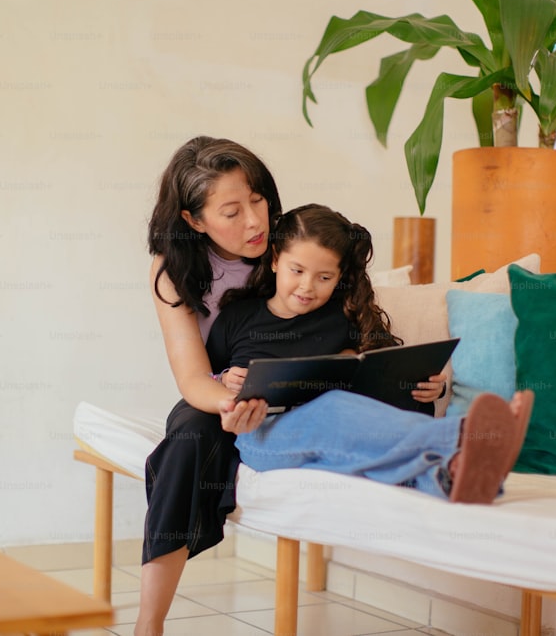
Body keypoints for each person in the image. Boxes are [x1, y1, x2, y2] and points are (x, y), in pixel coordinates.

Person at [139, 138, 444, 636]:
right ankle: (149, 623)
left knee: (343, 411)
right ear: (195, 220)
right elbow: (194, 377)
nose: (255, 222)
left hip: (300, 393)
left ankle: (436, 458)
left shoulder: (286, 248)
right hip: (220, 391)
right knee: (188, 441)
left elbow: (347, 329)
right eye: (232, 212)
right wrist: (232, 402)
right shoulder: (174, 271)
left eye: (257, 200)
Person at [207, 204, 533, 502]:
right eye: (297, 271)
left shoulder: (339, 318)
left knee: (353, 439)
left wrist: (433, 387)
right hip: (260, 434)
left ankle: (451, 477)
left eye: (324, 278)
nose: (307, 286)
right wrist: (224, 380)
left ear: (338, 278)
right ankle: (465, 434)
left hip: (334, 433)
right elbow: (204, 381)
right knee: (333, 407)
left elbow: (380, 374)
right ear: (276, 259)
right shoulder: (238, 316)